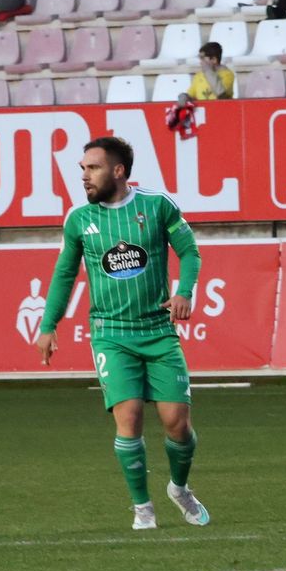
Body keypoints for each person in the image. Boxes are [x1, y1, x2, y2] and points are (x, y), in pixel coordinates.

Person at [34, 136, 208, 531]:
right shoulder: (79, 219)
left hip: (158, 331)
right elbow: (64, 274)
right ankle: (142, 508)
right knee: (128, 419)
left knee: (178, 425)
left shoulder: (157, 205)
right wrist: (48, 325)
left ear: (118, 171)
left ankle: (179, 488)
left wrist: (184, 291)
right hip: (111, 334)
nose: (84, 176)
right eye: (82, 169)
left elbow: (190, 252)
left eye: (92, 168)